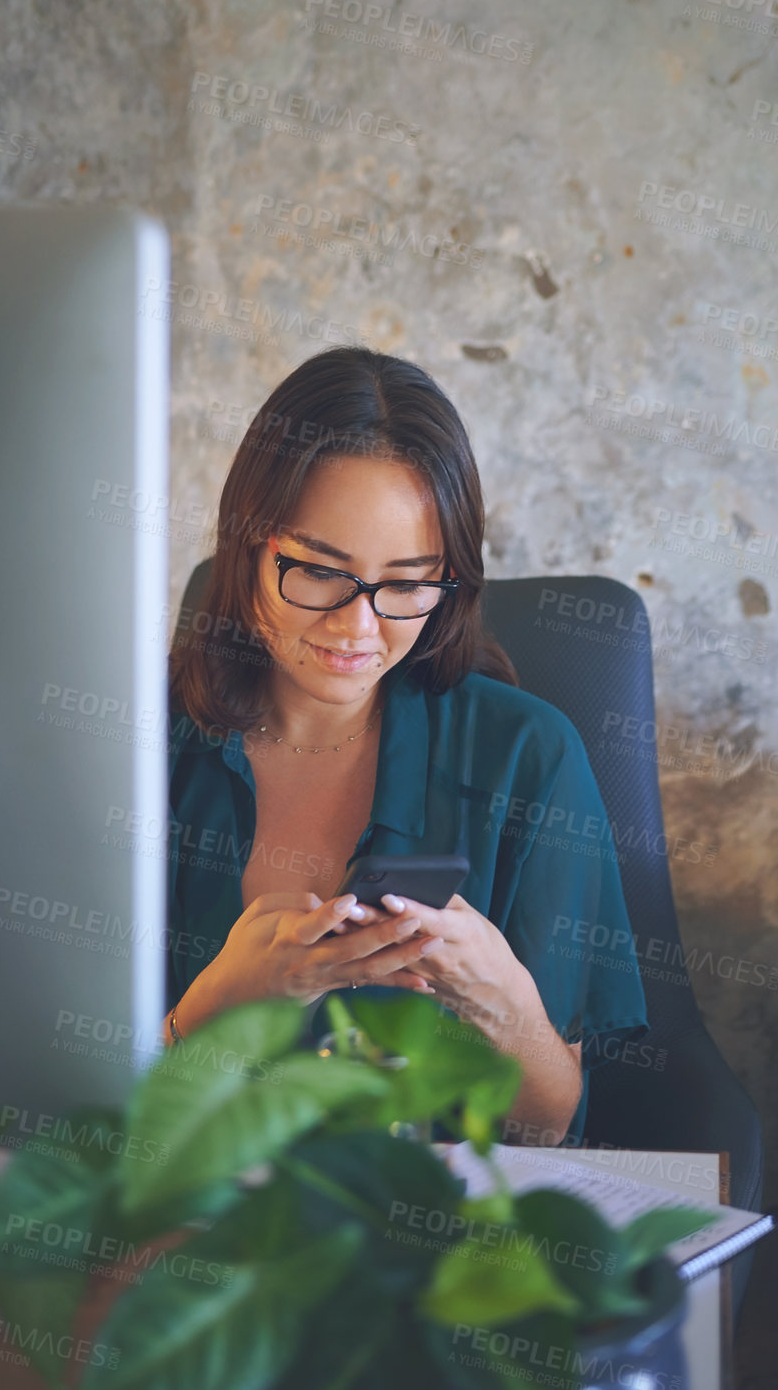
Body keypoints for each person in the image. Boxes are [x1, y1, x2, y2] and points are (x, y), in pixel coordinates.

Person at [165, 346, 647, 1144]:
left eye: (407, 583)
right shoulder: (142, 745)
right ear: (247, 545)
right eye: (317, 571)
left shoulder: (528, 758)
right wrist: (214, 1008)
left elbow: (547, 1121)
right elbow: (67, 1107)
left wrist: (502, 1002)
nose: (357, 627)